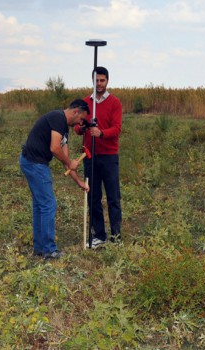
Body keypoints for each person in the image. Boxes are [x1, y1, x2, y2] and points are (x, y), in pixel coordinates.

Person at [20, 99, 90, 259]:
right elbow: (55, 148)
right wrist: (68, 162)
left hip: (32, 162)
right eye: (81, 119)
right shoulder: (58, 118)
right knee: (48, 205)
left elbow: (67, 161)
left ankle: (40, 248)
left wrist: (79, 182)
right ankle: (49, 250)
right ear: (75, 112)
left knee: (40, 205)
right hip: (34, 163)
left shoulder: (63, 128)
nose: (80, 123)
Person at [74, 66, 123, 248]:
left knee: (113, 197)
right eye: (97, 80)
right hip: (90, 156)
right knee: (93, 197)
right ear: (92, 81)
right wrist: (84, 128)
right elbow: (77, 127)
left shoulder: (115, 103)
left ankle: (116, 237)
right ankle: (99, 236)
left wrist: (101, 133)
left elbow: (117, 129)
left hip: (109, 156)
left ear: (107, 81)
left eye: (102, 80)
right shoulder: (86, 102)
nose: (99, 84)